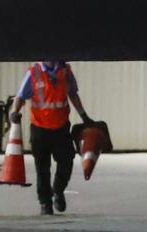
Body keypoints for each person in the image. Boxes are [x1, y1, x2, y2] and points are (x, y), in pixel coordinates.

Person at [9, 61, 93, 215]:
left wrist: (84, 116)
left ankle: (58, 190)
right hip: (39, 128)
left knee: (66, 161)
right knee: (42, 168)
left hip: (61, 127)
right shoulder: (33, 72)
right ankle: (45, 203)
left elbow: (72, 94)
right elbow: (21, 96)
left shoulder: (65, 71)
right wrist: (14, 112)